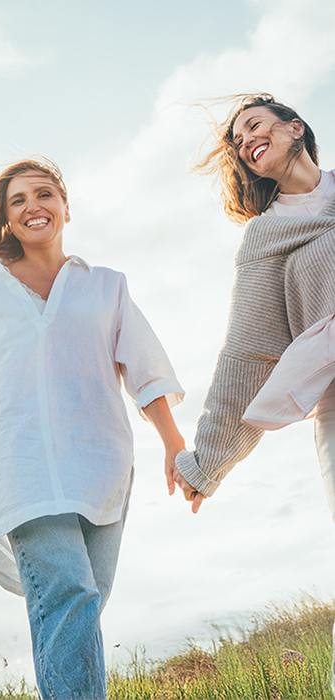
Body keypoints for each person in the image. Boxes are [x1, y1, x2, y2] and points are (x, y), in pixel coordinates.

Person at [0, 157, 186, 700]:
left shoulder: (105, 285)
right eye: (18, 201)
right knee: (67, 592)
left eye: (43, 194)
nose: (33, 206)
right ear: (8, 220)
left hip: (101, 460)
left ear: (65, 206)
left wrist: (173, 442)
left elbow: (145, 365)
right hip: (20, 461)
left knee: (85, 600)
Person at [173, 93, 335, 683]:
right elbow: (249, 353)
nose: (245, 142)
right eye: (238, 141)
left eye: (253, 126)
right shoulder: (267, 237)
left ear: (296, 128)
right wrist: (207, 461)